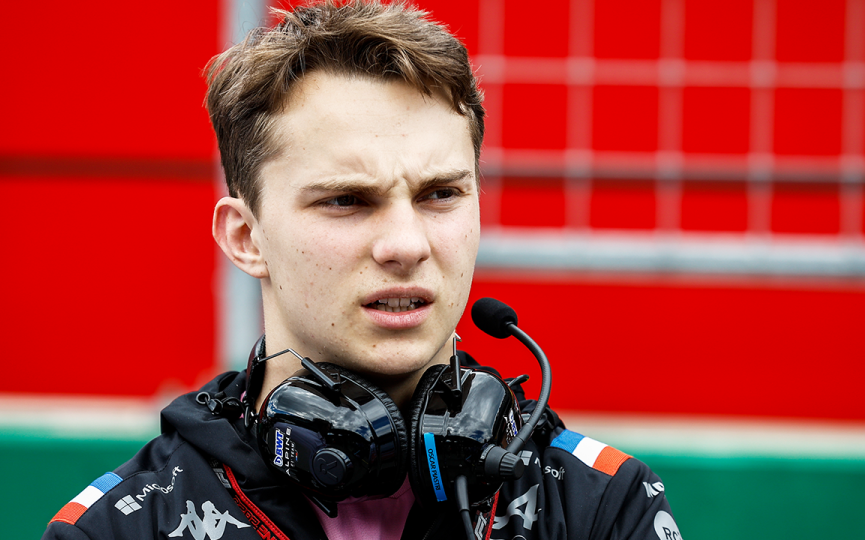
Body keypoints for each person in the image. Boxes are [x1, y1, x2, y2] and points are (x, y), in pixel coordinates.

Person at [42, 2, 681, 539]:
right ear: (246, 238)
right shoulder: (122, 528)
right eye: (347, 200)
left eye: (440, 195)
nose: (406, 244)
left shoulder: (602, 509)